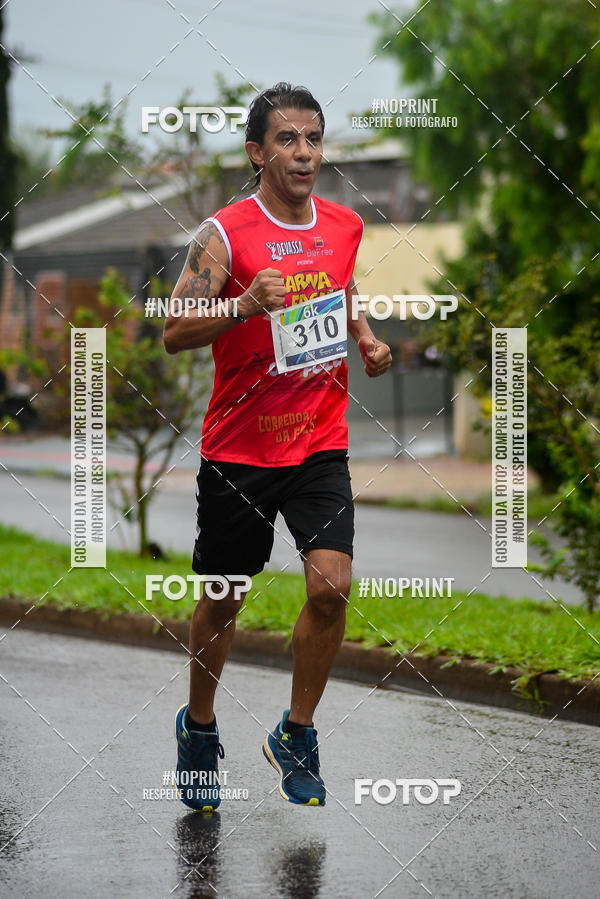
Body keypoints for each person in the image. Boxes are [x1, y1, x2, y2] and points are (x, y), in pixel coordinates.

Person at [164, 82, 391, 812]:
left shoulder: (345, 225)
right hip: (240, 449)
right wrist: (242, 305)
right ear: (257, 152)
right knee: (223, 597)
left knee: (331, 587)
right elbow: (174, 331)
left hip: (319, 440)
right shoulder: (224, 234)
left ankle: (296, 733)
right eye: (287, 140)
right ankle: (199, 727)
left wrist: (365, 337)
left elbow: (340, 290)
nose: (304, 153)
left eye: (314, 139)